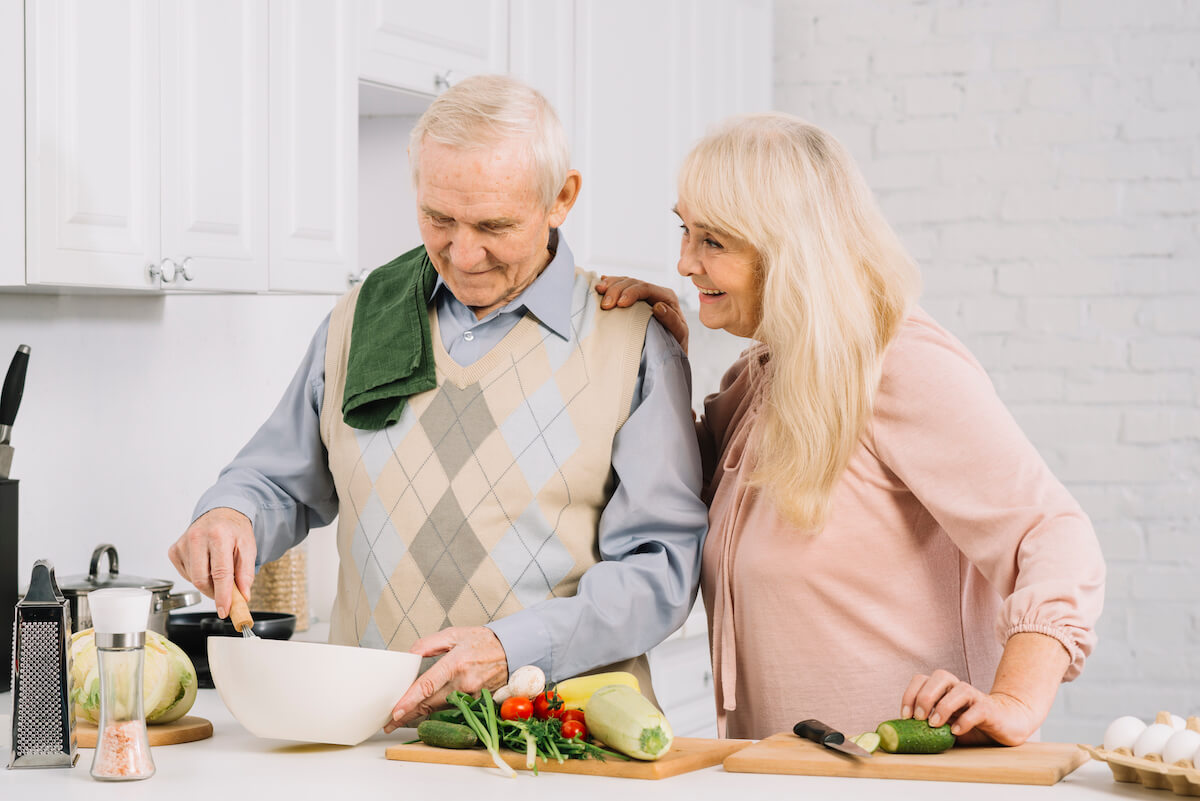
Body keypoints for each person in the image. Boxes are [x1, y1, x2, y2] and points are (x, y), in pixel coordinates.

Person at [168, 74, 707, 731]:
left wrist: (514, 646)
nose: (462, 252)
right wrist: (232, 513)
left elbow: (662, 571)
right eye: (438, 219)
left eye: (493, 225)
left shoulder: (632, 340)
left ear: (561, 197)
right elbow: (278, 481)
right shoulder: (364, 318)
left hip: (561, 746)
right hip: (374, 739)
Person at [595, 112, 1105, 743]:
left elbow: (1051, 532)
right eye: (686, 231)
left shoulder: (898, 364)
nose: (684, 262)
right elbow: (671, 487)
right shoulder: (759, 380)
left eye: (713, 242)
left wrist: (1016, 699)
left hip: (907, 776)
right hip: (788, 772)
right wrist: (646, 351)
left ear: (792, 246)